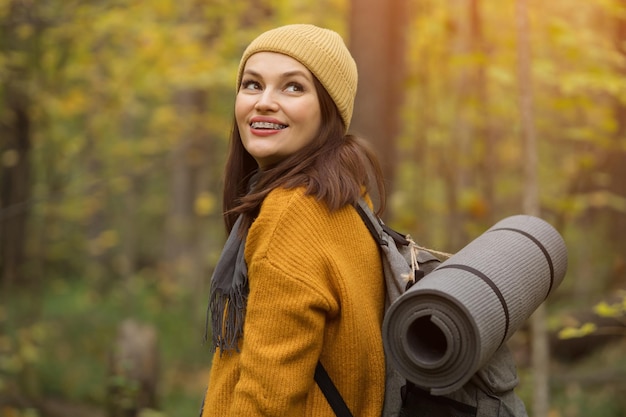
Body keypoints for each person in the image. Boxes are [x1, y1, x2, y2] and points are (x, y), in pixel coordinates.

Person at [200, 24, 388, 416]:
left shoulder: (292, 213)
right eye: (252, 84)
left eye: (293, 87)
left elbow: (267, 399)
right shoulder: (346, 200)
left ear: (328, 109)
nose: (264, 102)